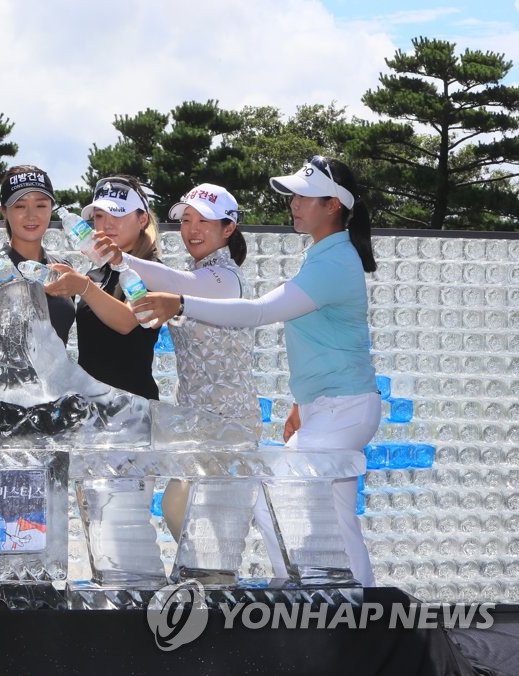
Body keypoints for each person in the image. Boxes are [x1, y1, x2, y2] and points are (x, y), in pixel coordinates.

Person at [133, 157, 380, 586]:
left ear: (334, 205)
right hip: (333, 407)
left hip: (343, 408)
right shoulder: (328, 255)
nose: (294, 204)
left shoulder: (334, 261)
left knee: (276, 497)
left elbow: (261, 311)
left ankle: (302, 591)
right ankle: (360, 607)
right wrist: (304, 404)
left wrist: (181, 303)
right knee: (337, 520)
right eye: (295, 196)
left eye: (305, 196)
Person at [98, 183, 260, 538]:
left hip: (229, 426)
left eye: (205, 221)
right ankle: (206, 588)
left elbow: (178, 282)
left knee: (210, 531)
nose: (193, 229)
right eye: (187, 220)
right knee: (186, 519)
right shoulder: (198, 276)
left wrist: (120, 258)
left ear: (229, 228)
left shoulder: (225, 278)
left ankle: (217, 587)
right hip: (197, 424)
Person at [45, 175, 161, 400]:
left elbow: (127, 321)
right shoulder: (97, 271)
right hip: (92, 407)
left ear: (142, 219)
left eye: (118, 214)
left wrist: (83, 286)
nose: (107, 224)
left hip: (133, 407)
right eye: (99, 216)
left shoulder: (153, 270)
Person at [0, 165, 75, 344]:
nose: (31, 215)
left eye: (41, 205)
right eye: (20, 206)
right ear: (4, 211)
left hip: (56, 372)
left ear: (51, 208)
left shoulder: (62, 268)